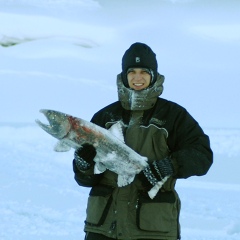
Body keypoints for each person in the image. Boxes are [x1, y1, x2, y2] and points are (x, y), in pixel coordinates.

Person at [72, 42, 213, 240]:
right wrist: (83, 165)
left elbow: (202, 156)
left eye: (144, 72)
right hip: (103, 228)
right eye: (132, 72)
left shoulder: (173, 116)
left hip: (152, 229)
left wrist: (168, 166)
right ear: (124, 75)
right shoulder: (105, 116)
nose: (138, 78)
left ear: (153, 75)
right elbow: (85, 179)